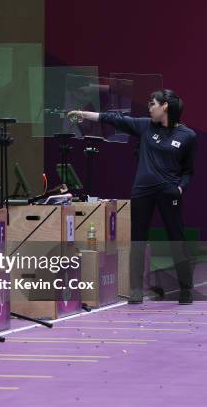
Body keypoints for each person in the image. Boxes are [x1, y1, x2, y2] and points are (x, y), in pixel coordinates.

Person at [68, 89, 197, 305]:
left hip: (169, 192)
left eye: (152, 103)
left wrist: (181, 188)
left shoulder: (188, 136)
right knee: (137, 239)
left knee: (177, 237)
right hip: (142, 192)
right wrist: (84, 114)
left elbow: (188, 171)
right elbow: (115, 118)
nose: (149, 107)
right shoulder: (145, 126)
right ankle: (136, 289)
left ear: (165, 106)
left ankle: (186, 289)